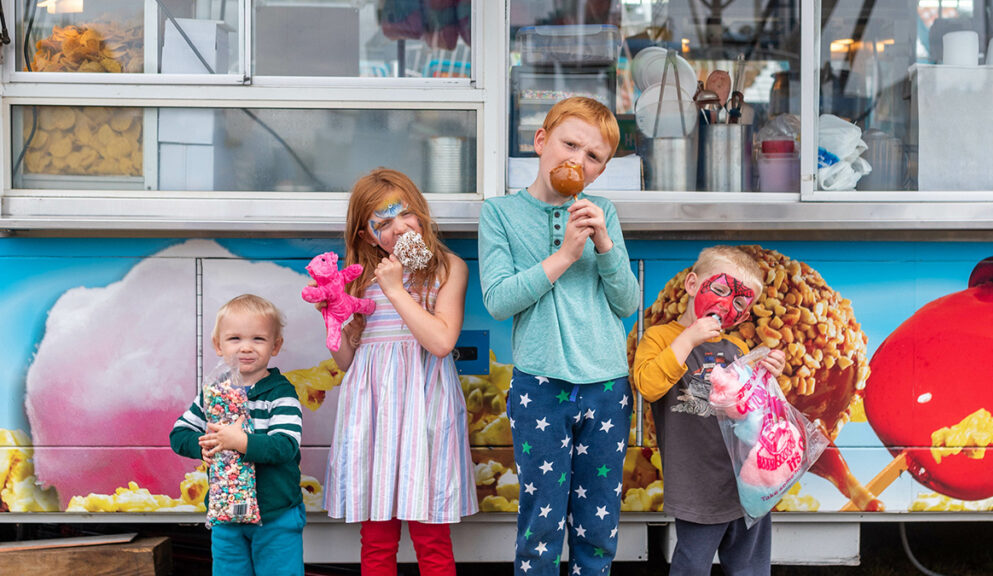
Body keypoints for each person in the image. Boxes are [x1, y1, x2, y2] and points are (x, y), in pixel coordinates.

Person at [478, 96, 640, 575]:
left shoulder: (602, 212)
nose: (577, 160)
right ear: (540, 141)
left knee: (598, 522)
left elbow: (626, 303)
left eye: (593, 157)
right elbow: (499, 300)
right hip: (540, 387)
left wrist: (603, 245)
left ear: (600, 171)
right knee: (541, 518)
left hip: (607, 386)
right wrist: (566, 254)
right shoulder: (500, 214)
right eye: (570, 144)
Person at [318, 168, 477, 576]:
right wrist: (336, 325)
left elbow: (441, 342)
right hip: (374, 420)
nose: (400, 227)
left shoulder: (446, 269)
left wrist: (395, 289)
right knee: (376, 541)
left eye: (405, 214)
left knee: (432, 539)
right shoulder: (358, 281)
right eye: (384, 223)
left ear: (420, 211)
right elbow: (346, 362)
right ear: (367, 236)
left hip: (424, 415)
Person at [632, 246, 787, 576]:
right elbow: (648, 386)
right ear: (692, 285)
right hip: (696, 485)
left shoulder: (739, 349)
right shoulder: (660, 338)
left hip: (748, 483)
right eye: (718, 290)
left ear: (743, 317)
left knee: (751, 568)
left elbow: (755, 414)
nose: (725, 304)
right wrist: (689, 339)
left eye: (739, 303)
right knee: (691, 565)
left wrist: (769, 372)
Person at [170, 294, 305, 576]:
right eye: (234, 339)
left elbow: (286, 445)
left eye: (258, 339)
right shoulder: (214, 394)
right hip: (227, 516)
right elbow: (179, 433)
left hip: (275, 516)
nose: (246, 347)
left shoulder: (280, 394)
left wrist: (240, 442)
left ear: (275, 345)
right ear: (218, 345)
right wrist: (202, 447)